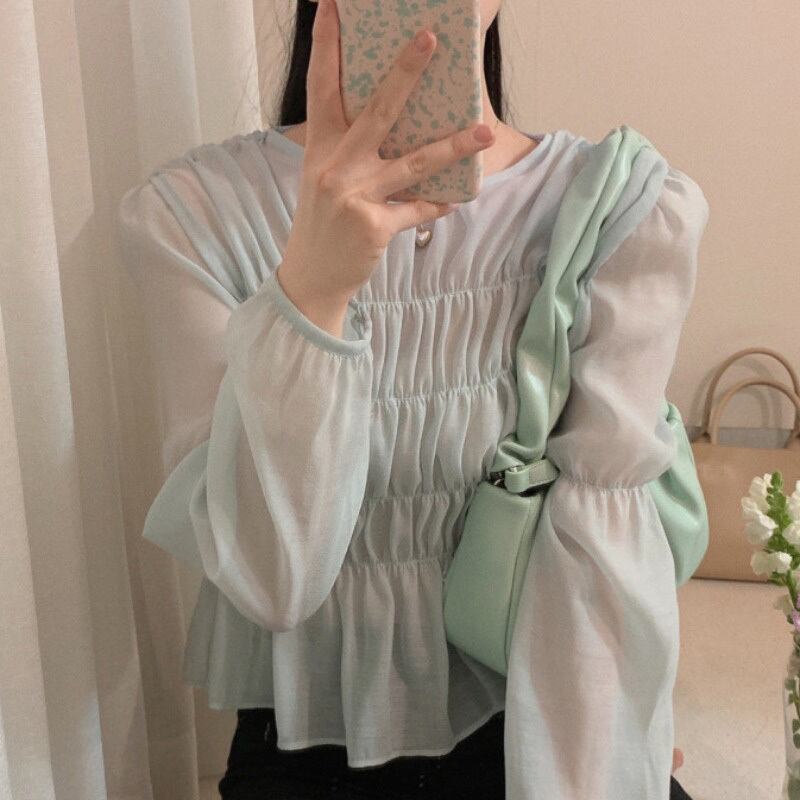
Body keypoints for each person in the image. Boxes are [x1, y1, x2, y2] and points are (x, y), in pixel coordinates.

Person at [115, 0, 709, 797]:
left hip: (541, 729)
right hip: (307, 758)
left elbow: (606, 555)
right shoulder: (194, 215)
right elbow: (274, 580)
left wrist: (626, 736)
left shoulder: (616, 205)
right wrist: (313, 289)